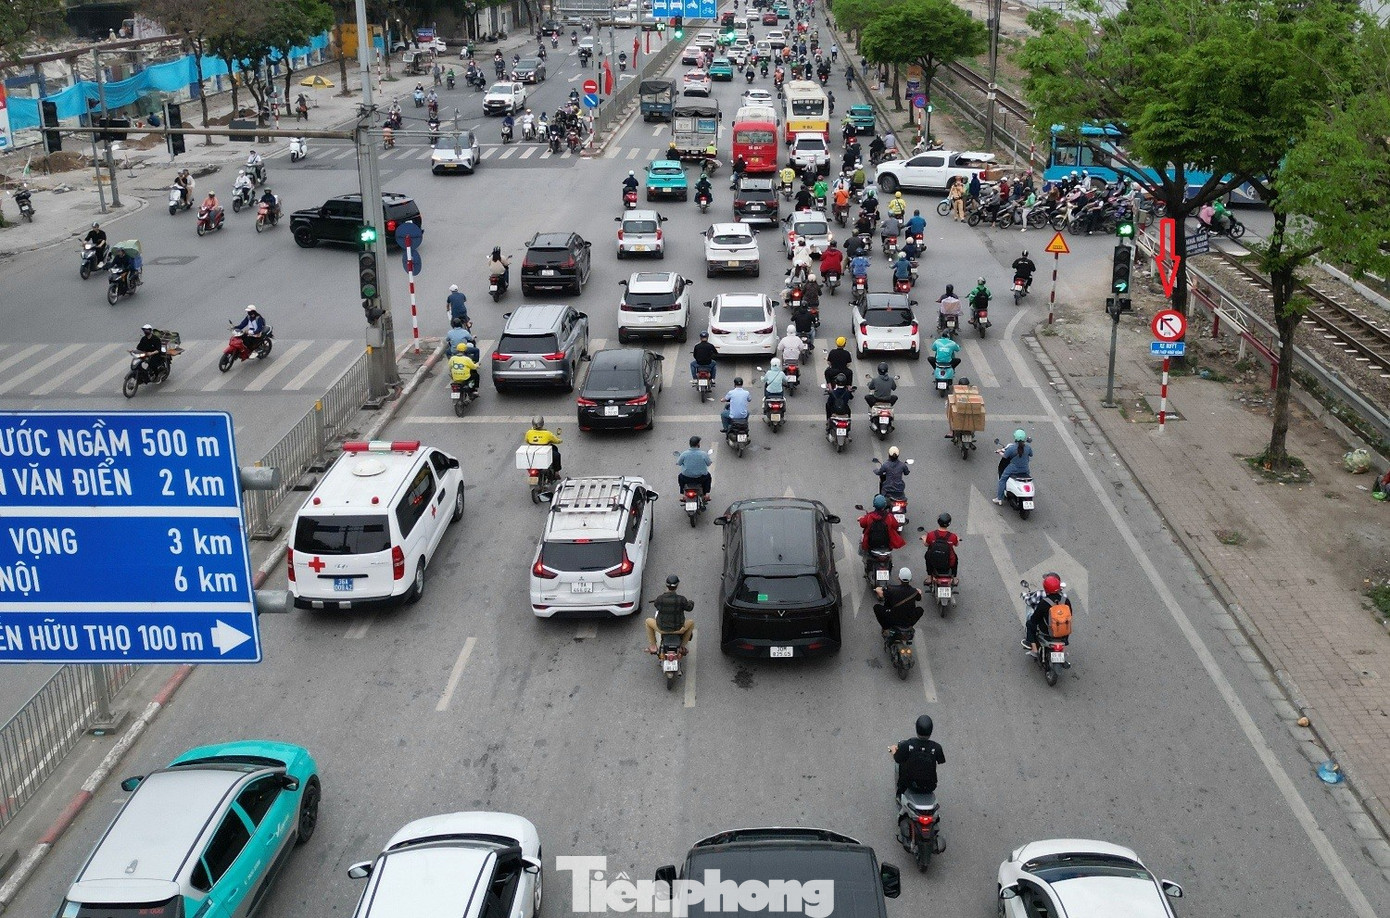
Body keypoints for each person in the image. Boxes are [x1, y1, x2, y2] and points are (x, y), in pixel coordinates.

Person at [891, 715, 945, 796]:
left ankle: (899, 794)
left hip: (910, 785)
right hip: (930, 786)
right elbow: (941, 760)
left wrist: (893, 750)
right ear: (931, 730)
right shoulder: (937, 747)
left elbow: (897, 759)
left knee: (901, 765)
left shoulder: (907, 745)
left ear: (917, 729)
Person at [646, 574, 696, 653]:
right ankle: (682, 647)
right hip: (679, 629)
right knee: (691, 623)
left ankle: (653, 646)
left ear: (666, 585)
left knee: (648, 621)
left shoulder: (660, 599)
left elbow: (656, 605)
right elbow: (689, 608)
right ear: (677, 585)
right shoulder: (681, 599)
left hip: (662, 629)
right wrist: (691, 602)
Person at [1024, 572, 1067, 657]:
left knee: (1029, 623)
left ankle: (1034, 649)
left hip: (1046, 630)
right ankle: (1064, 650)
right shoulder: (1065, 599)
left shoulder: (1044, 602)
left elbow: (1035, 618)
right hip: (1062, 630)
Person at [874, 567, 923, 632]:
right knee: (920, 610)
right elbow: (919, 598)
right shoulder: (914, 592)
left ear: (899, 578)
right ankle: (910, 626)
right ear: (910, 579)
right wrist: (918, 591)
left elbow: (881, 594)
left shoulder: (892, 589)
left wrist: (877, 589)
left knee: (876, 607)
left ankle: (885, 628)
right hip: (908, 620)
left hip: (893, 618)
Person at [922, 512, 959, 581]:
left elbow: (926, 544)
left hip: (933, 562)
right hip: (948, 563)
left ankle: (929, 577)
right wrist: (957, 539)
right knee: (955, 558)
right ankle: (954, 578)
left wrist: (924, 539)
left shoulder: (931, 534)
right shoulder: (953, 536)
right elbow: (956, 544)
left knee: (927, 555)